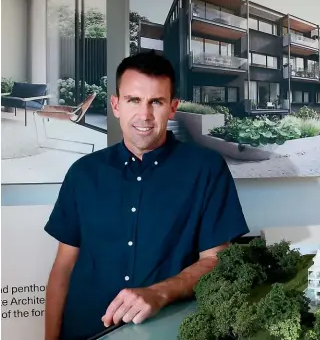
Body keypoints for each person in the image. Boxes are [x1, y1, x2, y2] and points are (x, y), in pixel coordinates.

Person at [43, 51, 249, 340]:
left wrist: (159, 293)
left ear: (173, 107)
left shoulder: (206, 170)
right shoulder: (83, 173)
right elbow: (63, 268)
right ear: (116, 105)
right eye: (133, 100)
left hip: (168, 332)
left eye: (156, 102)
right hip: (84, 331)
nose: (145, 115)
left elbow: (216, 261)